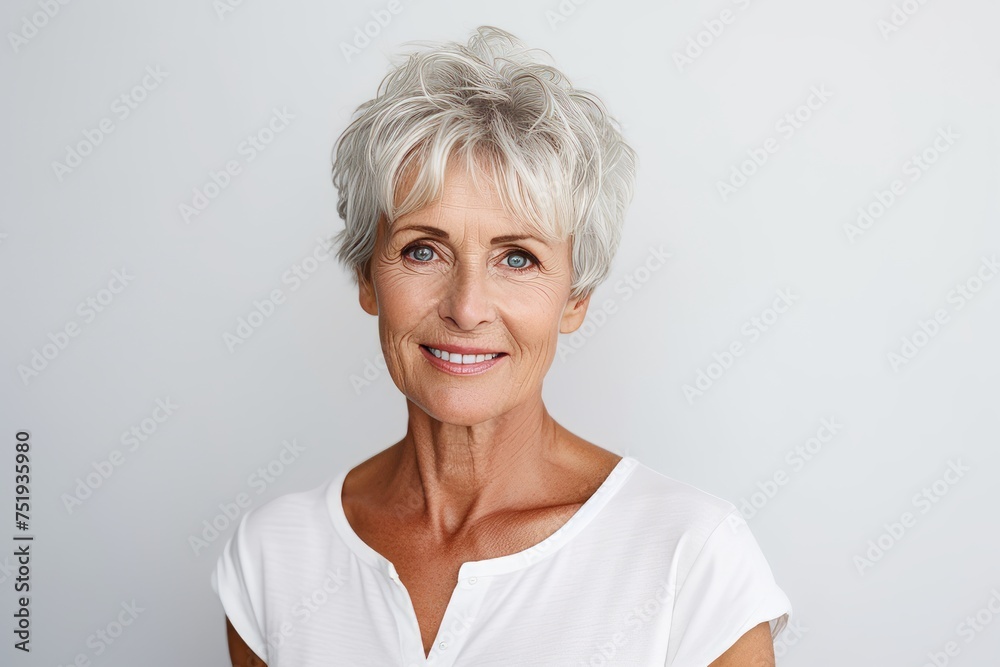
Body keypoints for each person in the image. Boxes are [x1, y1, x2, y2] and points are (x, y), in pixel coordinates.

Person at [211, 25, 792, 666]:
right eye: (422, 250)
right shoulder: (275, 556)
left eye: (517, 258)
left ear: (576, 298)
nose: (465, 307)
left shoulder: (691, 557)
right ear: (367, 278)